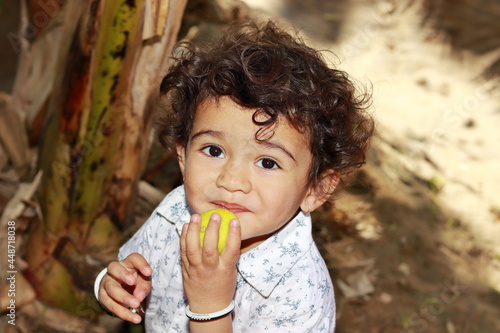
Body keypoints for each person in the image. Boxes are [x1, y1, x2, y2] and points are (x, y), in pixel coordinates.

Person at [94, 19, 374, 332]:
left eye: (268, 162)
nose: (231, 181)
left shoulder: (298, 295)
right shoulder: (176, 213)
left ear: (316, 189)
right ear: (183, 155)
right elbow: (130, 276)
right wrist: (113, 285)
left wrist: (210, 306)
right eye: (214, 151)